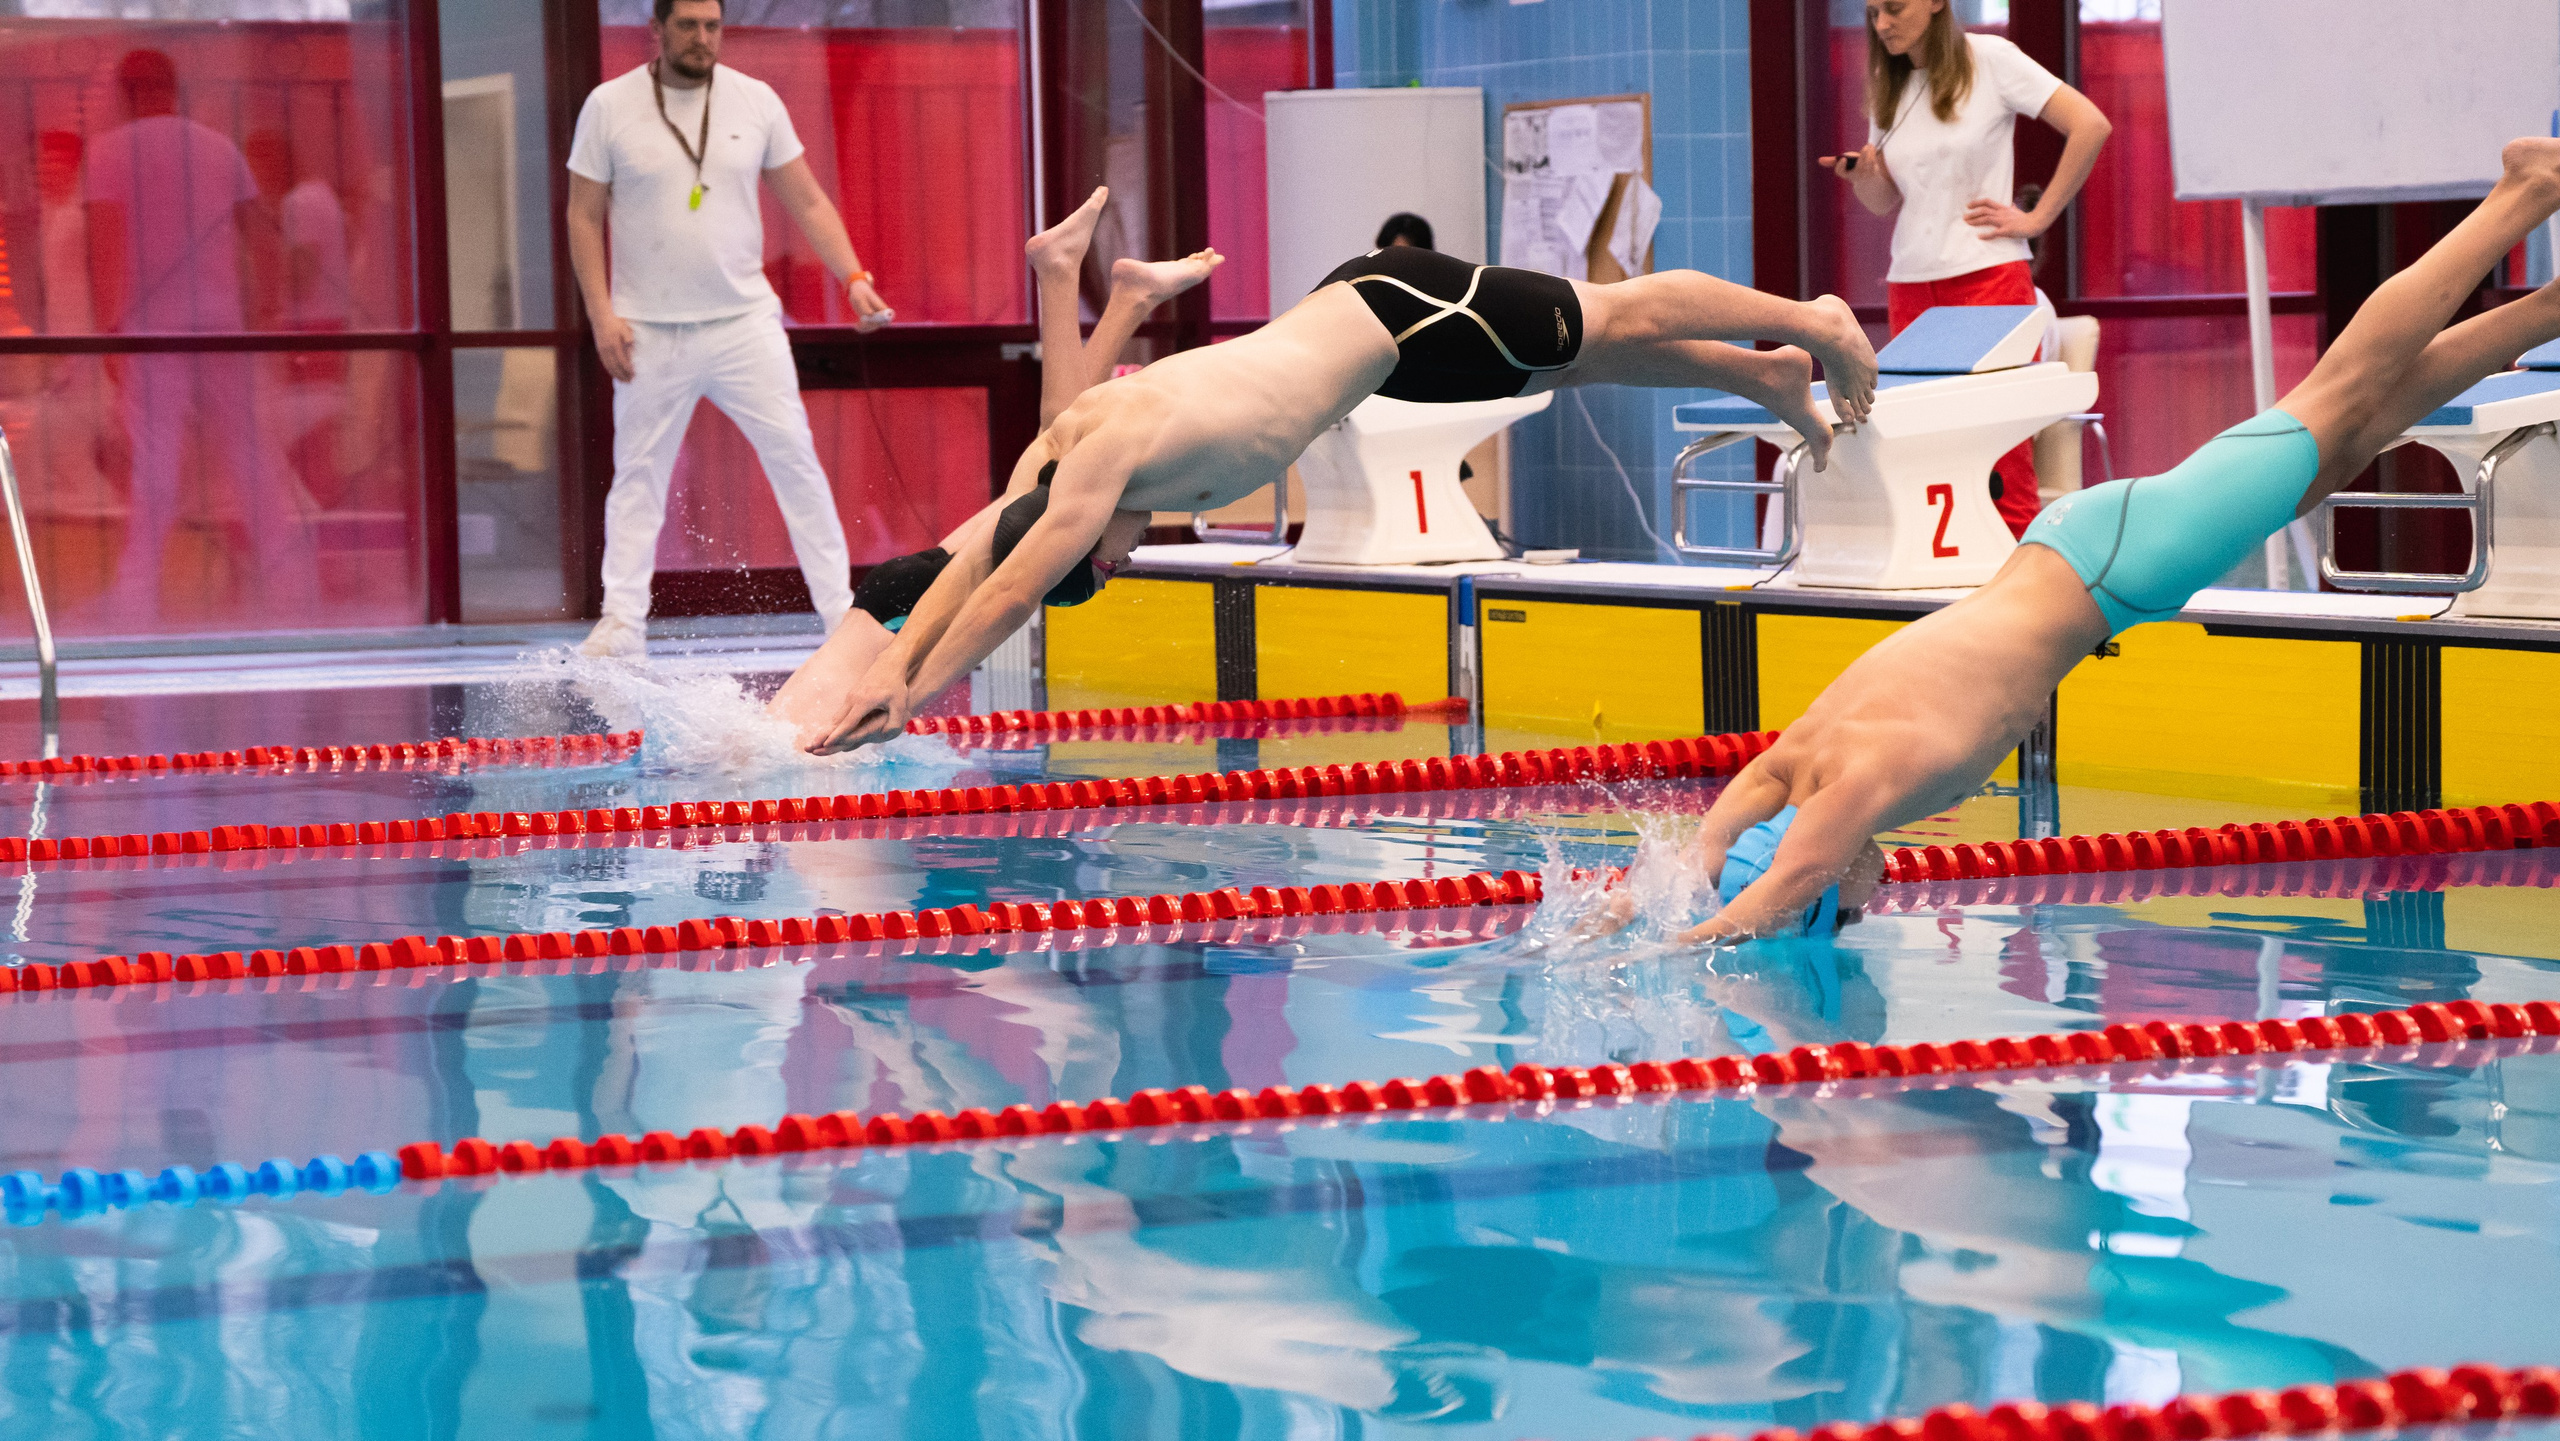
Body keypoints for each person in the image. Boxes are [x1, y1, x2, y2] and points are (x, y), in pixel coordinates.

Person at [1608, 138, 2560, 944]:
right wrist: (1621, 915)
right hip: (2080, 553)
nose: (1873, 897)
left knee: (2342, 395)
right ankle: (2548, 307)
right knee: (2356, 431)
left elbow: (1776, 888)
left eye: (1846, 907)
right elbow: (1709, 848)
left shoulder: (1854, 786)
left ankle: (2522, 193)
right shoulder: (1795, 759)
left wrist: (1679, 950)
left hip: (2119, 565)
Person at [774, 234, 1879, 754]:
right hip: (1383, 353)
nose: (1120, 561)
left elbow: (1013, 591)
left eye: (1100, 565)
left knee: (1615, 314)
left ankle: (1810, 318)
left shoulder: (1100, 470)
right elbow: (974, 562)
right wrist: (892, 669)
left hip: (1403, 308)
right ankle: (1767, 376)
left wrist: (911, 698)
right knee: (1581, 361)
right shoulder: (1054, 467)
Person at [766, 187, 1219, 729]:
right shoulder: (1044, 535)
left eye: (1114, 563)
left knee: (1058, 440)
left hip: (903, 606)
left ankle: (1099, 289)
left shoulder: (1047, 538)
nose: (1127, 560)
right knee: (1059, 440)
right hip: (904, 604)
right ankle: (1105, 291)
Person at [566, 0, 893, 660]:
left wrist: (853, 276)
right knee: (638, 477)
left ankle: (840, 614)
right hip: (648, 329)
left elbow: (808, 199)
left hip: (744, 324)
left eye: (712, 25)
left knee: (796, 463)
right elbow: (581, 215)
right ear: (657, 30)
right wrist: (602, 315)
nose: (702, 37)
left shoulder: (756, 100)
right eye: (687, 25)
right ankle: (622, 622)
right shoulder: (609, 105)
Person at [1822, 0, 2110, 537]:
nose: (1881, 25)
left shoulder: (1992, 59)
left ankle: (2021, 577)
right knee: (1927, 449)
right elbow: (1886, 201)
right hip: (1911, 285)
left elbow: (2090, 124)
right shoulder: (1890, 85)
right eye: (1873, 13)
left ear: (1936, 3)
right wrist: (1864, 178)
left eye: (1893, 9)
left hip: (1989, 279)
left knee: (2000, 454)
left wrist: (2037, 217)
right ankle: (1949, 579)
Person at [84, 48, 314, 627]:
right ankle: (288, 580)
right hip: (221, 325)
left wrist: (109, 332)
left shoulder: (109, 153)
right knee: (250, 456)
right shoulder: (218, 148)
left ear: (125, 93)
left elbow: (106, 247)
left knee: (155, 462)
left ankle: (138, 592)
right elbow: (263, 241)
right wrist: (265, 313)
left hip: (151, 332)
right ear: (173, 88)